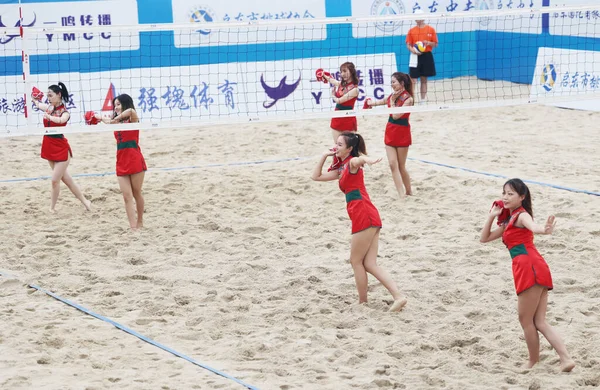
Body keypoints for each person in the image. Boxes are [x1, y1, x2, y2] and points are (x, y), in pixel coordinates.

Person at [480, 178, 575, 372]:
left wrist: (544, 229)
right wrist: (492, 216)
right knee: (539, 321)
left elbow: (534, 227)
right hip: (534, 265)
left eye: (511, 194)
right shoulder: (509, 219)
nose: (505, 197)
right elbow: (484, 238)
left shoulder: (521, 216)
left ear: (522, 197)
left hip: (528, 267)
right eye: (504, 193)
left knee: (526, 320)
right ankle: (566, 359)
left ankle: (532, 361)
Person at [311, 132, 407, 312]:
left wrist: (367, 160)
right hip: (367, 214)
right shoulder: (341, 169)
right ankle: (398, 296)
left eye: (340, 145)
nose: (336, 147)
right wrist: (324, 156)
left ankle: (363, 303)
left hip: (363, 214)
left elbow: (357, 161)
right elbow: (315, 177)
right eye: (336, 144)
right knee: (369, 264)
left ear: (349, 149)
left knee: (355, 261)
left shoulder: (352, 163)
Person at [32, 82, 91, 213]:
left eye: (50, 95)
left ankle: (52, 208)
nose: (48, 98)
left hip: (61, 148)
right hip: (49, 145)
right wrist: (33, 97)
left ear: (59, 95)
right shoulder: (48, 108)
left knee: (54, 180)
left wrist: (49, 116)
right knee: (66, 180)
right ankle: (86, 202)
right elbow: (37, 104)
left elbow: (61, 121)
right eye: (47, 96)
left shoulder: (65, 112)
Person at [94, 94, 146, 230]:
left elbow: (131, 111)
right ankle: (133, 226)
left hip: (134, 159)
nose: (116, 107)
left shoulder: (133, 118)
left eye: (118, 104)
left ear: (125, 103)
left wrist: (114, 119)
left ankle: (140, 221)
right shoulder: (116, 122)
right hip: (121, 160)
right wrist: (97, 117)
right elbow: (105, 120)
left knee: (136, 193)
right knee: (126, 196)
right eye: (114, 105)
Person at [366, 72, 414, 197]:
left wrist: (392, 102)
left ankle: (409, 190)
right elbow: (384, 101)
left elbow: (396, 115)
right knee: (393, 164)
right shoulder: (392, 96)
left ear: (402, 83)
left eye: (394, 82)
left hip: (402, 132)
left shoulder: (408, 99)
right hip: (390, 132)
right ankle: (401, 194)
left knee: (401, 166)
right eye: (391, 82)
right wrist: (371, 103)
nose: (391, 84)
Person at [406, 9, 437, 104]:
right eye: (416, 18)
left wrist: (428, 43)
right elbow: (408, 44)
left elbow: (435, 44)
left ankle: (422, 100)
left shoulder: (430, 29)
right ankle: (412, 99)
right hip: (415, 56)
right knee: (413, 80)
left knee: (424, 79)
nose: (417, 19)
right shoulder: (411, 31)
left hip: (426, 56)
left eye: (419, 17)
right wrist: (413, 51)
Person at [323, 62, 359, 143]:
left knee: (350, 147)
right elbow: (333, 81)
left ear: (351, 72)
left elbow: (339, 100)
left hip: (348, 118)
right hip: (337, 117)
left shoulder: (355, 89)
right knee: (337, 146)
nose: (342, 74)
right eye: (341, 71)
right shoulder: (342, 84)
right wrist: (323, 75)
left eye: (345, 71)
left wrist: (333, 95)